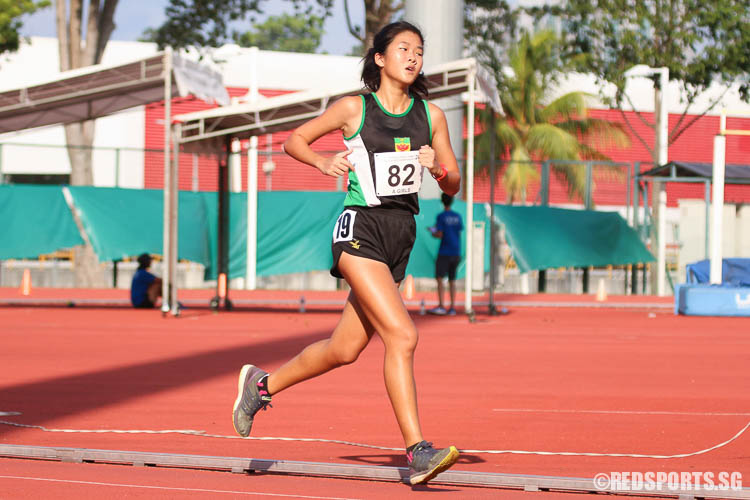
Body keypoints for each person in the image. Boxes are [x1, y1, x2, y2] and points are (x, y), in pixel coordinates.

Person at [232, 21, 461, 485]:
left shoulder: (431, 118)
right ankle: (418, 452)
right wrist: (321, 161)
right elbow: (293, 139)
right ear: (379, 58)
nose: (413, 58)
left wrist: (437, 169)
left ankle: (261, 386)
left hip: (402, 233)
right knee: (403, 336)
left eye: (419, 51)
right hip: (359, 229)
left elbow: (454, 180)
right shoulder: (353, 108)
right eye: (403, 49)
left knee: (345, 349)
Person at [427, 193, 463, 315]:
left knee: (440, 278)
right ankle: (452, 307)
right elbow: (458, 232)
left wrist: (433, 232)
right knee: (452, 280)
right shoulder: (457, 216)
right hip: (455, 251)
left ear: (442, 201)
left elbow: (440, 234)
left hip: (444, 251)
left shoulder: (441, 216)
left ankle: (442, 305)